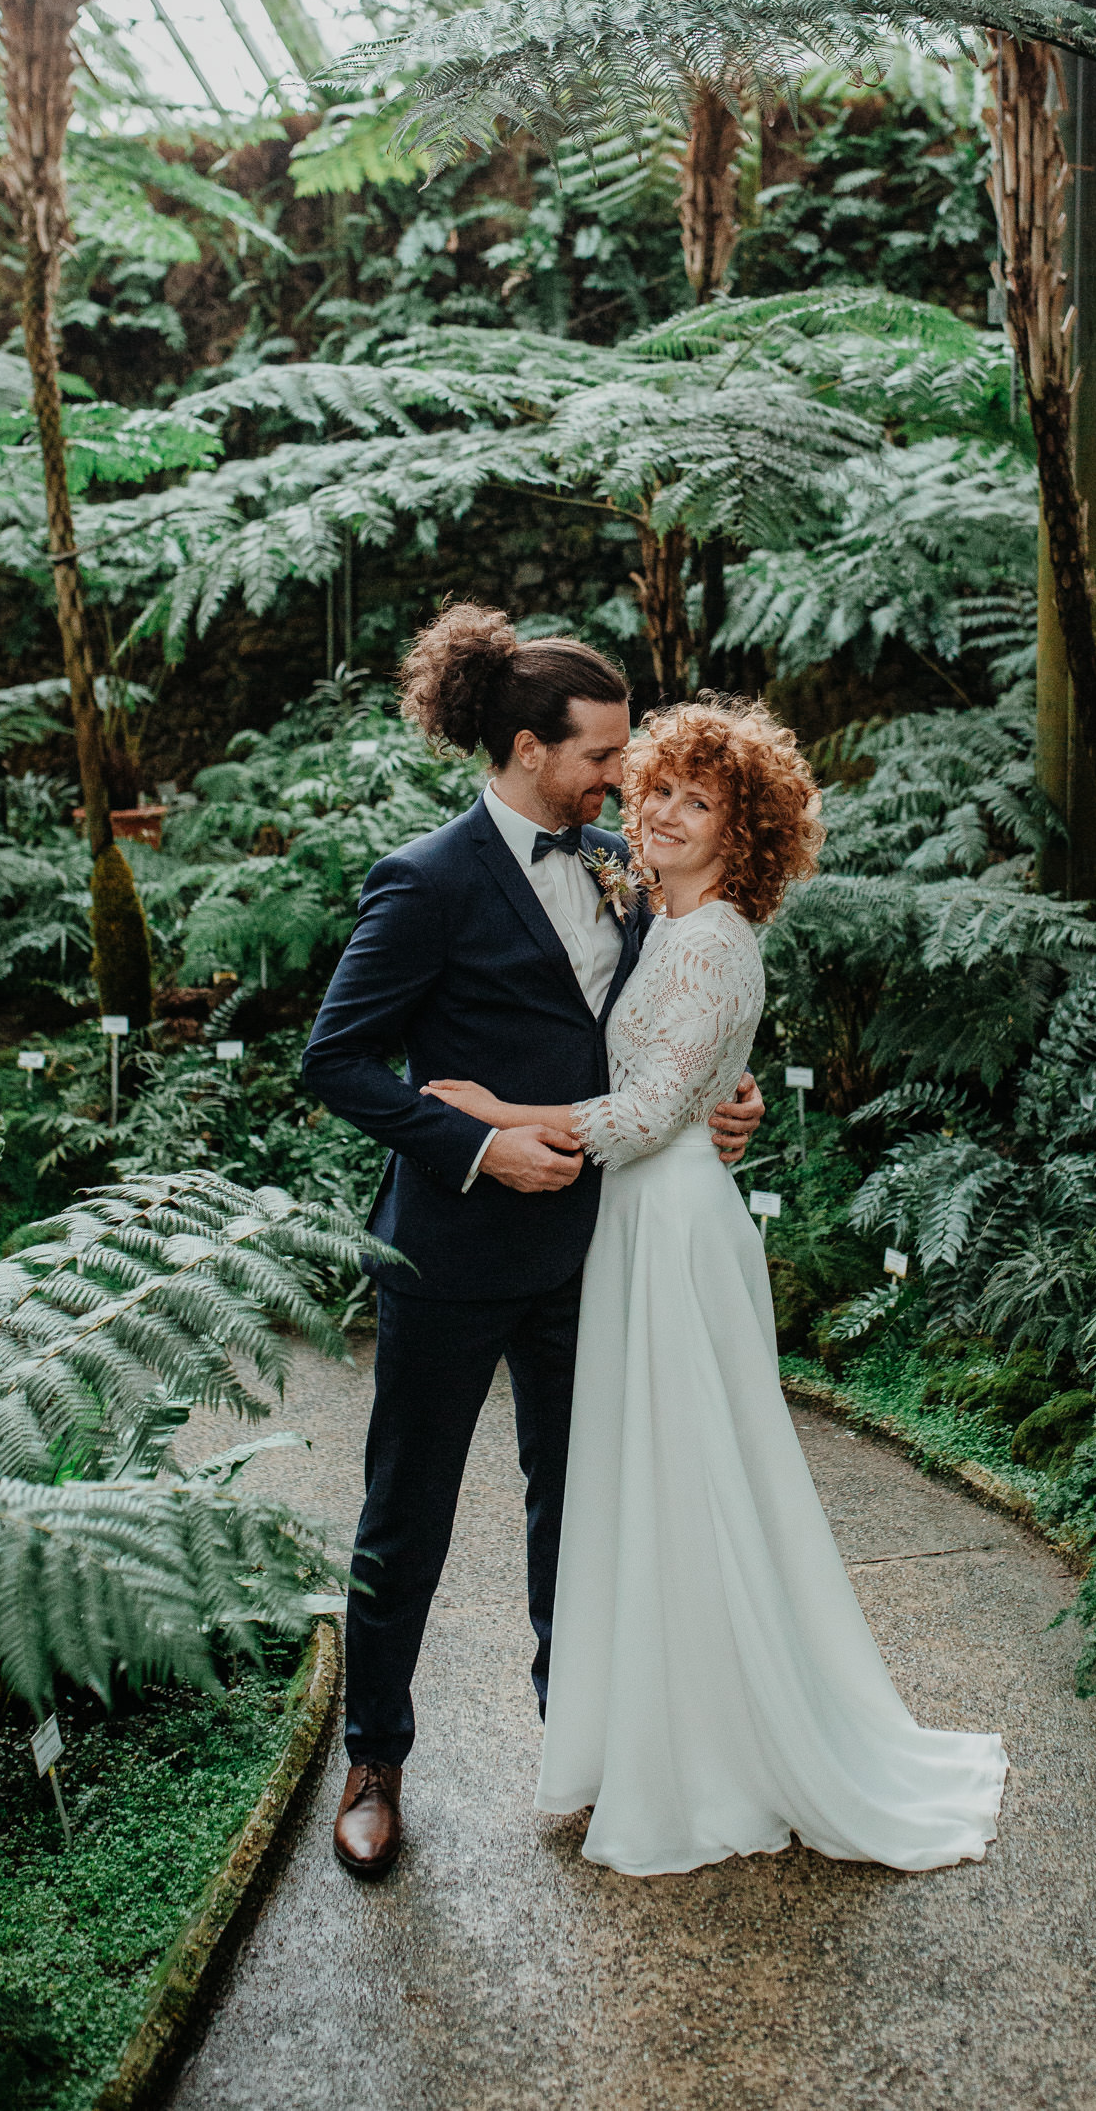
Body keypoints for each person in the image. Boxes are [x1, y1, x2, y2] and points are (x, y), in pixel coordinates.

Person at [424, 698, 1010, 1877]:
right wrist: (716, 1096)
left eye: (701, 802)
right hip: (642, 1223)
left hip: (672, 1223)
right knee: (654, 1480)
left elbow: (641, 1116)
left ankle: (723, 1751)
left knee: (693, 1477)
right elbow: (665, 1070)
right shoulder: (654, 911)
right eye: (657, 789)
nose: (666, 812)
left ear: (746, 836)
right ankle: (667, 1726)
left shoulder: (712, 938)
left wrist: (495, 1115)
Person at [299, 605, 763, 1880]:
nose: (623, 779)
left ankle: (581, 1740)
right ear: (522, 747)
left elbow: (673, 1023)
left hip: (590, 1254)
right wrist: (475, 1144)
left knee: (580, 1507)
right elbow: (333, 1060)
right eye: (601, 755)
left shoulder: (626, 863)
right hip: (447, 1254)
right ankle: (374, 1757)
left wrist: (724, 1095)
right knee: (409, 1507)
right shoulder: (426, 879)